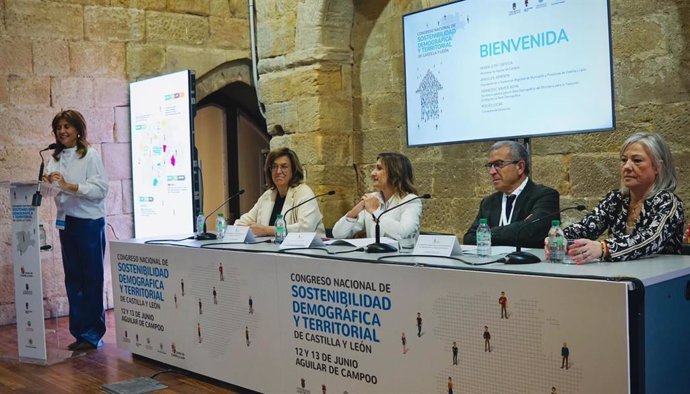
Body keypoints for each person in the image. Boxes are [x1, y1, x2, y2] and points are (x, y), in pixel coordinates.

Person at [553, 132, 684, 263]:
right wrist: (559, 238)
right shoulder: (616, 199)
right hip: (619, 276)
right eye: (623, 160)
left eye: (637, 160)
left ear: (658, 167)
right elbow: (586, 228)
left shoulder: (668, 202)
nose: (627, 167)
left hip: (660, 278)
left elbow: (652, 239)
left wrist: (604, 248)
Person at [43, 110, 108, 351]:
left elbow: (100, 189)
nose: (62, 131)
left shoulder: (90, 155)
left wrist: (70, 185)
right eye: (58, 127)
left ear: (78, 130)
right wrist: (48, 184)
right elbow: (53, 190)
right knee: (73, 278)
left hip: (89, 223)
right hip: (66, 221)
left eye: (66, 126)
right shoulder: (55, 159)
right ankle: (80, 332)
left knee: (91, 278)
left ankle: (93, 334)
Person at [463, 141, 559, 248]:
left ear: (520, 167)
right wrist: (519, 227)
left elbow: (530, 233)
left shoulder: (545, 196)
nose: (492, 172)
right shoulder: (488, 203)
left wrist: (486, 233)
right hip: (492, 264)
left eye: (498, 164)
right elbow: (469, 238)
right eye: (490, 166)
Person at [235, 147, 326, 237]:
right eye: (274, 167)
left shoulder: (304, 192)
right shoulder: (267, 195)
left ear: (293, 170)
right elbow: (243, 222)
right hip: (271, 249)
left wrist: (267, 230)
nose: (278, 171)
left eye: (284, 166)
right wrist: (235, 229)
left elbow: (305, 228)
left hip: (306, 250)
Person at [332, 152, 421, 240]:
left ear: (395, 173)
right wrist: (353, 213)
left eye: (379, 168)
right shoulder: (372, 198)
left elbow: (405, 235)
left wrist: (375, 211)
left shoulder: (410, 200)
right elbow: (338, 235)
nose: (372, 173)